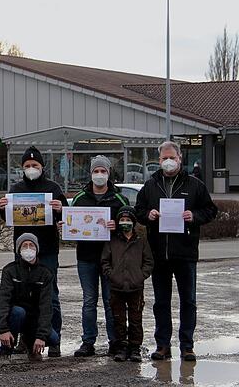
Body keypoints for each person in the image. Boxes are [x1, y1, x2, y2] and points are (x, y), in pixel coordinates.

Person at [135, 141, 218, 362]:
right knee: (161, 302)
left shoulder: (194, 185)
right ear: (159, 160)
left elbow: (210, 210)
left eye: (172, 157)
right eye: (164, 158)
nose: (168, 161)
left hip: (185, 252)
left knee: (188, 301)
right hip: (159, 253)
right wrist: (148, 215)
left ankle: (187, 346)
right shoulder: (151, 185)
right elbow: (138, 210)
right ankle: (162, 345)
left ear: (180, 158)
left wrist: (194, 216)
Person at [0, 146, 67, 357]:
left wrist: (60, 209)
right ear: (22, 168)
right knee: (21, 296)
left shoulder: (53, 188)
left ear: (42, 166)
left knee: (51, 296)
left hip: (46, 250)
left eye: (34, 165)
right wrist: (2, 208)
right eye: (27, 166)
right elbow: (6, 217)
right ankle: (24, 340)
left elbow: (66, 217)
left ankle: (54, 340)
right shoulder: (16, 189)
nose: (31, 168)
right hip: (23, 249)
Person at [68, 155, 130, 358]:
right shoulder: (80, 198)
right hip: (86, 258)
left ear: (109, 174)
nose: (99, 175)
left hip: (111, 259)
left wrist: (118, 226)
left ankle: (115, 341)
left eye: (103, 171)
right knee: (89, 300)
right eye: (96, 171)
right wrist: (67, 226)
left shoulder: (119, 198)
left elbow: (130, 225)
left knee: (110, 301)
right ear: (91, 173)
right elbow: (72, 223)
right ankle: (88, 341)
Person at [101, 206, 154, 363]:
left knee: (136, 318)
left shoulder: (141, 241)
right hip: (116, 287)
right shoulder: (112, 240)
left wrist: (140, 276)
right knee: (119, 318)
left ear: (134, 222)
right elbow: (105, 261)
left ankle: (135, 347)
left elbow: (148, 262)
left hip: (135, 287)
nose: (125, 223)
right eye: (122, 220)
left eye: (128, 220)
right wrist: (112, 275)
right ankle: (121, 347)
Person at [0, 233, 60, 361]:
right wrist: (3, 329)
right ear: (19, 250)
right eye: (24, 246)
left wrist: (41, 336)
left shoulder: (46, 273)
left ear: (37, 249)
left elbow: (46, 307)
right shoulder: (9, 271)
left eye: (31, 245)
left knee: (53, 339)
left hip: (35, 319)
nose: (28, 248)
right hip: (16, 316)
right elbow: (3, 301)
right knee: (17, 312)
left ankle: (31, 345)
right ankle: (6, 350)